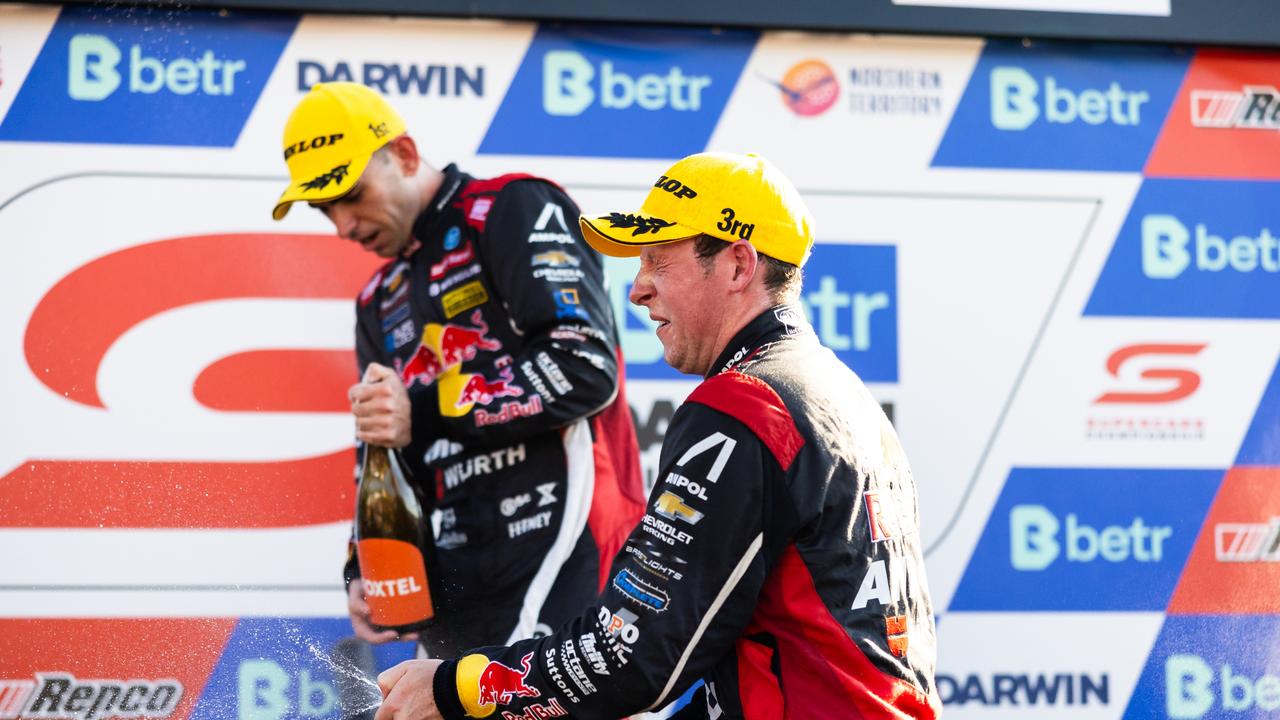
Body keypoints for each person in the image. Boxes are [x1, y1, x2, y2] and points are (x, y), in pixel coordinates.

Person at [372, 151, 941, 719]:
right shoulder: (842, 395)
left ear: (739, 266)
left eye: (658, 262)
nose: (636, 290)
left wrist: (455, 689)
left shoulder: (744, 406)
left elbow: (632, 653)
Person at [272, 82, 647, 659]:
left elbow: (585, 366)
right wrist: (365, 561)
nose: (343, 225)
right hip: (458, 577)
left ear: (403, 154)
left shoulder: (513, 207)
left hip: (568, 546)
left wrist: (421, 410)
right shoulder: (378, 297)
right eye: (325, 209)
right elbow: (380, 452)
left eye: (350, 195)